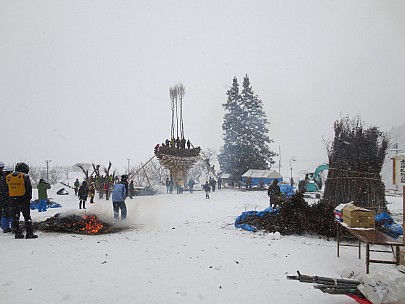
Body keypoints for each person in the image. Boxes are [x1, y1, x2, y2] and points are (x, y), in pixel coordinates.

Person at [6, 162, 38, 239]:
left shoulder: (8, 177)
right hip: (23, 200)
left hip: (13, 200)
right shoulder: (24, 176)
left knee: (15, 218)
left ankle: (17, 233)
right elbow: (29, 189)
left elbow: (7, 189)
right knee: (27, 217)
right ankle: (29, 233)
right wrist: (29, 198)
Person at [0, 164, 13, 232]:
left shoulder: (1, 178)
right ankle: (14, 226)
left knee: (4, 213)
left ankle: (5, 227)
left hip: (2, 198)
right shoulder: (10, 178)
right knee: (11, 213)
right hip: (9, 198)